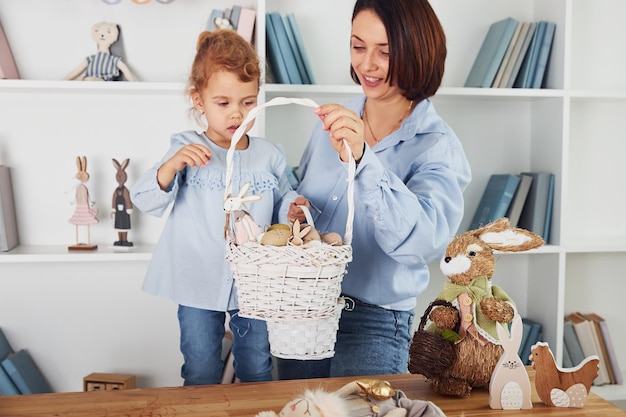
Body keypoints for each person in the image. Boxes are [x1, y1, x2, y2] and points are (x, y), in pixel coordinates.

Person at [279, 0, 471, 379]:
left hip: (374, 324)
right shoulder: (332, 120)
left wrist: (365, 160)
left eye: (385, 51)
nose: (367, 64)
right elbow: (303, 196)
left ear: (417, 51)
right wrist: (294, 209)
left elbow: (424, 244)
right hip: (303, 310)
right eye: (358, 46)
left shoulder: (437, 146)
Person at [131, 29, 298, 385]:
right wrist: (172, 165)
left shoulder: (269, 154)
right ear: (198, 99)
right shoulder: (185, 146)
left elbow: (284, 204)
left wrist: (293, 210)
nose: (236, 113)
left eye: (248, 102)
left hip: (255, 285)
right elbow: (144, 198)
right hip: (196, 279)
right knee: (201, 367)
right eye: (223, 103)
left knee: (256, 365)